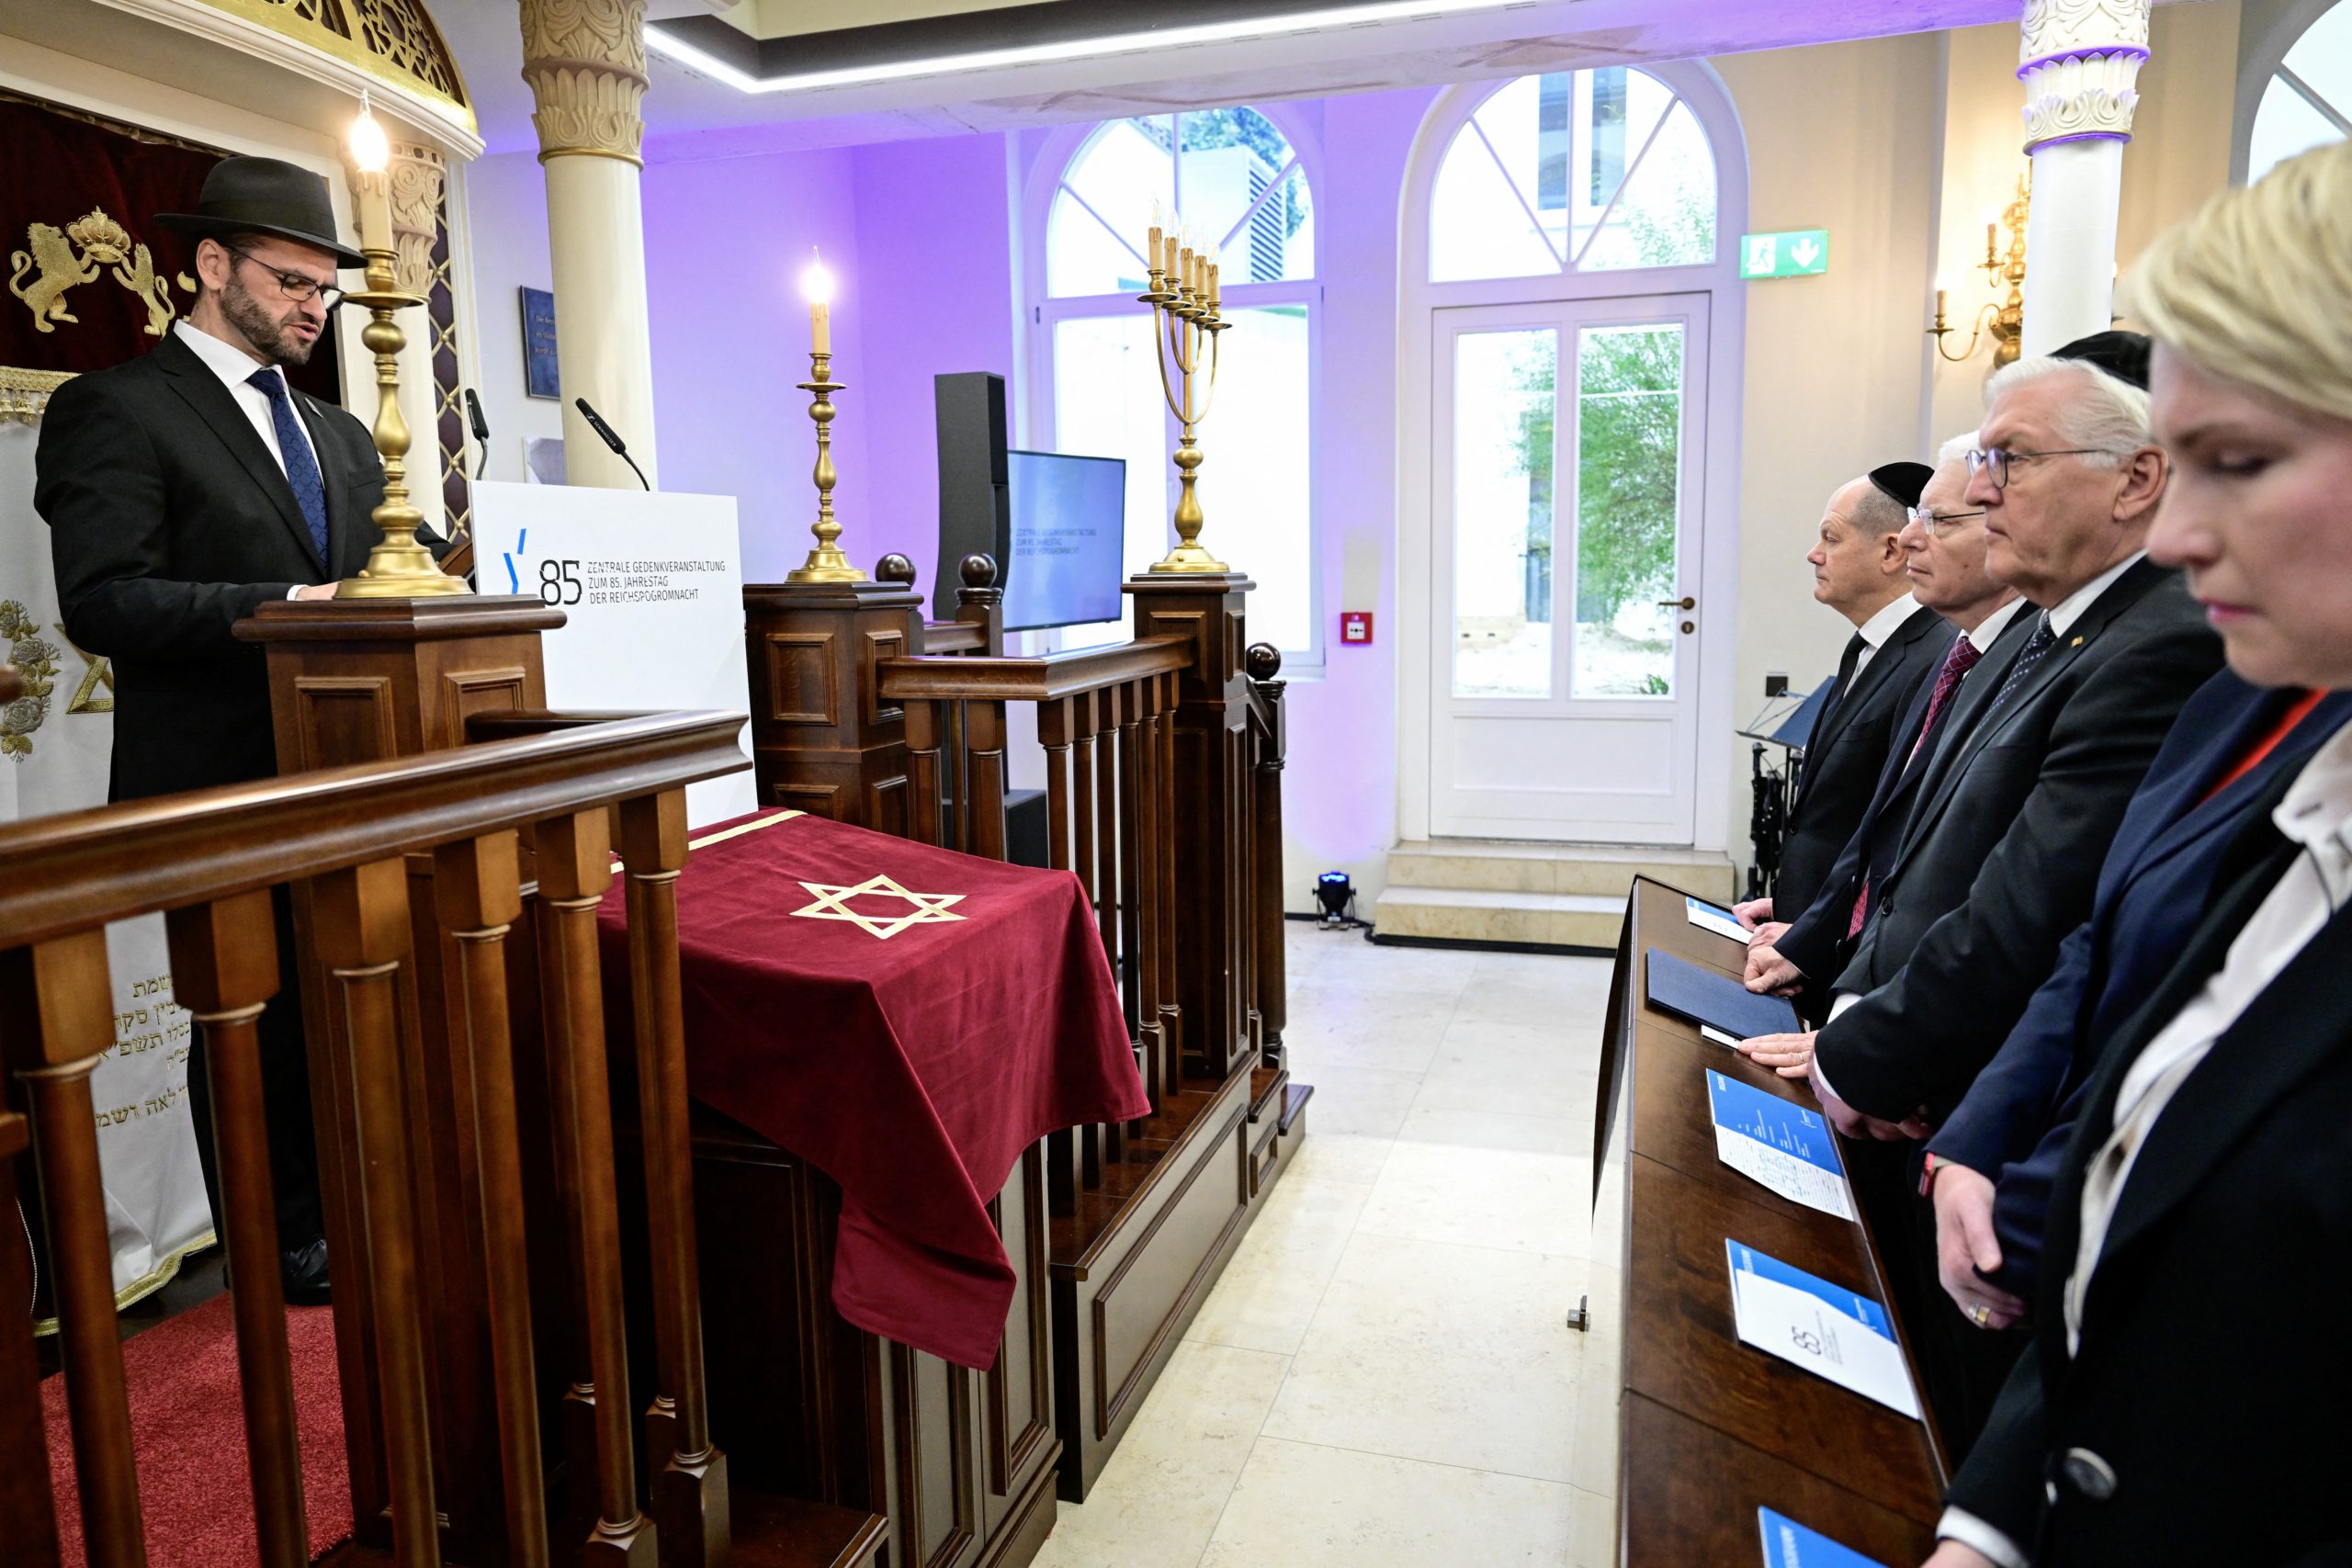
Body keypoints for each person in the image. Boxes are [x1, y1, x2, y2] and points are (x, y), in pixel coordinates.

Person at [1927, 137, 2352, 1568]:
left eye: (2241, 462)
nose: (2175, 538)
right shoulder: (2279, 725)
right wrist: (1990, 1516)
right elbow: (2144, 1102)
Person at [1742, 351, 2226, 1450]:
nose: (1983, 491)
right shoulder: (2051, 633)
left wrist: (1868, 1055)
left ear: (2136, 480)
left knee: (1942, 1415)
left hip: (1983, 1123)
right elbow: (1912, 844)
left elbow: (2036, 911)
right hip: (1934, 1084)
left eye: (2012, 461)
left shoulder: (2155, 641)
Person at [36, 156, 387, 1305]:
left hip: (350, 773)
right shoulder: (119, 408)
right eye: (292, 282)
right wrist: (287, 606)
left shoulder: (341, 434)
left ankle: (359, 1201)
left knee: (348, 1005)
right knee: (252, 1020)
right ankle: (273, 1238)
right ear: (210, 264)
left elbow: (386, 581)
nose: (314, 308)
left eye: (326, 290)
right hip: (217, 780)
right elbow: (105, 599)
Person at [1746, 442, 2030, 1024]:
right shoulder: (1897, 648)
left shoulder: (1941, 652)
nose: (1814, 554)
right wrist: (1807, 916)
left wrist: (1827, 936)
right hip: (1839, 949)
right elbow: (1866, 824)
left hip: (1896, 983)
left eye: (1939, 521)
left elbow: (1912, 844)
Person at [1734, 466, 1953, 976]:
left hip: (1846, 956)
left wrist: (1816, 933)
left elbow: (1889, 836)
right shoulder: (1870, 646)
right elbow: (1836, 815)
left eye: (1831, 538)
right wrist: (1795, 905)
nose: (1814, 554)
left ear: (1892, 551)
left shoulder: (1935, 657)